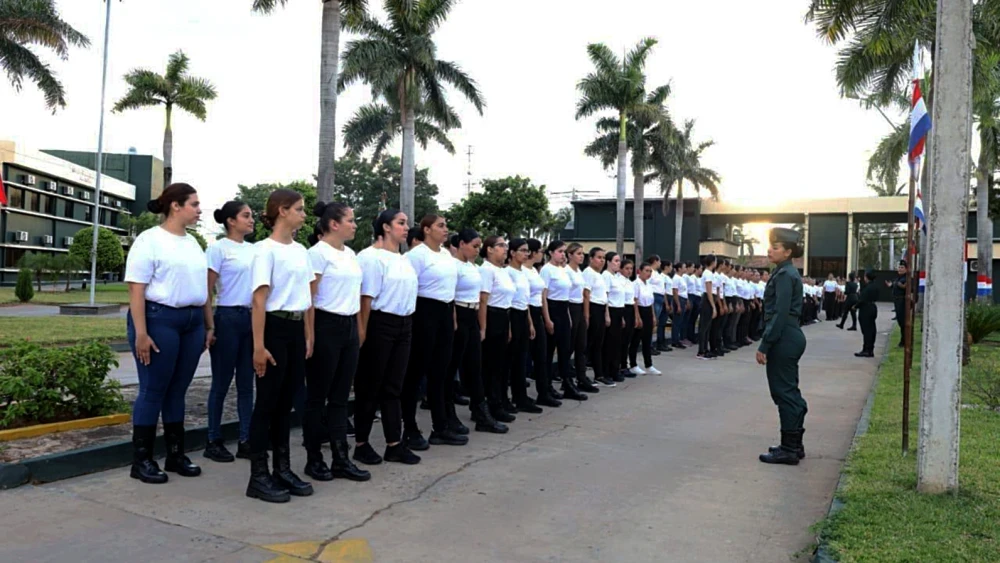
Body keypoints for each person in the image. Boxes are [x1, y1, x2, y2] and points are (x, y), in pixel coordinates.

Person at [125, 183, 211, 485]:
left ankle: (175, 454)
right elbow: (136, 289)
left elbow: (203, 288)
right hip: (159, 319)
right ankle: (142, 460)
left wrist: (209, 325)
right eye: (194, 204)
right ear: (176, 205)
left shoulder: (193, 242)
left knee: (177, 390)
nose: (199, 210)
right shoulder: (149, 240)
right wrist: (141, 333)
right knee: (153, 389)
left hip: (192, 321)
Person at [246, 189, 315, 502]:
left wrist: (308, 335)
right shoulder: (264, 250)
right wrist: (259, 347)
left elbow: (307, 297)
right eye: (299, 209)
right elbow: (259, 301)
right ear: (282, 211)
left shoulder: (301, 251)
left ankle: (282, 469)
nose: (304, 214)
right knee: (267, 403)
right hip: (273, 327)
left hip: (295, 328)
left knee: (286, 403)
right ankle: (258, 476)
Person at [301, 201, 371, 483]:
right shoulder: (317, 254)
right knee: (318, 396)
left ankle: (341, 458)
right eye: (350, 220)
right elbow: (309, 298)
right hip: (325, 324)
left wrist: (359, 328)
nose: (354, 225)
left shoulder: (350, 254)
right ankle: (314, 458)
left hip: (348, 324)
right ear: (333, 224)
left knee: (341, 397)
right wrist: (310, 334)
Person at [353, 209, 421, 467]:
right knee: (370, 385)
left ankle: (394, 443)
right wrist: (362, 331)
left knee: (394, 386)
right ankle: (361, 444)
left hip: (404, 324)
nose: (406, 228)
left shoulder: (403, 259)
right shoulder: (370, 257)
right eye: (400, 223)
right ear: (385, 227)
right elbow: (366, 298)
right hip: (379, 324)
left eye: (406, 223)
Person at [402, 214, 466, 449]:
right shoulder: (416, 256)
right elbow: (409, 287)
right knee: (416, 372)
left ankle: (440, 427)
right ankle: (409, 428)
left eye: (446, 225)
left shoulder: (446, 255)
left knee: (441, 371)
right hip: (424, 312)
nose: (445, 229)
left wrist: (452, 317)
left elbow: (450, 289)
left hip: (445, 313)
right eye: (440, 226)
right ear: (427, 230)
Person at [204, 201, 255, 464]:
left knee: (247, 383)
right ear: (231, 221)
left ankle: (246, 440)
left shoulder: (254, 250)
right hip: (227, 317)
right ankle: (213, 440)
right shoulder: (218, 248)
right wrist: (210, 325)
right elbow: (207, 290)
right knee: (221, 383)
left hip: (250, 317)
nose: (251, 220)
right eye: (246, 216)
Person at [448, 229, 508, 433]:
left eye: (478, 246)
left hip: (471, 316)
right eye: (474, 246)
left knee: (475, 366)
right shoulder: (453, 266)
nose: (477, 250)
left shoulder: (472, 267)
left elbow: (479, 299)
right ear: (461, 244)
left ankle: (481, 412)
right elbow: (449, 295)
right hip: (459, 313)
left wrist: (481, 326)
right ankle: (448, 416)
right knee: (452, 368)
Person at [756, 228, 808, 465]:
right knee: (789, 391)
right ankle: (794, 444)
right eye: (770, 246)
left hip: (784, 336)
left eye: (775, 247)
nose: (770, 250)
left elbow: (780, 312)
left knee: (783, 392)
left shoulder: (786, 274)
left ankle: (789, 449)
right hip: (788, 334)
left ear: (788, 252)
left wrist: (765, 344)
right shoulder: (784, 272)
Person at [479, 236, 518, 422]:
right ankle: (490, 405)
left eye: (505, 245)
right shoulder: (486, 270)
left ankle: (499, 401)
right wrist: (483, 327)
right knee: (491, 365)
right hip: (492, 317)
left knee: (500, 364)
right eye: (500, 245)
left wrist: (508, 327)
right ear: (489, 249)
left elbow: (507, 301)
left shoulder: (502, 271)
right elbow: (483, 300)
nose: (505, 249)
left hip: (504, 316)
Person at [544, 242, 588, 401]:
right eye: (559, 251)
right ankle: (546, 387)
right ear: (551, 253)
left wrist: (568, 316)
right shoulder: (547, 270)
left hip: (564, 309)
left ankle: (568, 383)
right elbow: (544, 296)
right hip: (552, 308)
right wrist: (547, 319)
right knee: (549, 351)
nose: (562, 254)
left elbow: (566, 296)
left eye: (564, 251)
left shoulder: (562, 270)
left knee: (565, 349)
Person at [507, 239, 544, 413]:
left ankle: (520, 396)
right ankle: (508, 397)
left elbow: (525, 301)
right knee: (511, 359)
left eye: (527, 251)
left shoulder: (523, 272)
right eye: (522, 250)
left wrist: (530, 323)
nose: (526, 254)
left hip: (523, 314)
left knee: (521, 358)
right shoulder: (508, 272)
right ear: (512, 253)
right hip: (512, 315)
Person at [526, 238, 562, 407]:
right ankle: (519, 396)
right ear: (532, 253)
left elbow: (541, 296)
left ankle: (544, 392)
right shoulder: (522, 271)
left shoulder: (534, 270)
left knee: (542, 355)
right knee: (523, 357)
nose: (542, 254)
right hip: (527, 313)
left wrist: (543, 318)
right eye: (540, 251)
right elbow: (524, 298)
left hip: (537, 312)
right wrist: (531, 322)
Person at [567, 244, 601, 393]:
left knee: (581, 345)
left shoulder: (579, 272)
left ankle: (581, 377)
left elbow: (583, 294)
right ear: (570, 255)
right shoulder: (566, 271)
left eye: (582, 253)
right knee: (569, 346)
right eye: (578, 253)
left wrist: (585, 314)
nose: (581, 256)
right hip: (570, 307)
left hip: (579, 307)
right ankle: (567, 380)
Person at [584, 247, 613, 387]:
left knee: (598, 344)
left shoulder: (599, 275)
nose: (602, 261)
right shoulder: (588, 273)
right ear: (591, 259)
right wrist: (587, 315)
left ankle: (599, 375)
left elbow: (604, 297)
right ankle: (581, 375)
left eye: (603, 258)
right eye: (599, 257)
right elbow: (586, 294)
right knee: (589, 343)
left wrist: (606, 314)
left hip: (601, 308)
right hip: (593, 308)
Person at [630, 261, 660, 374]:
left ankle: (649, 364)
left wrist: (653, 316)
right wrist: (637, 317)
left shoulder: (649, 285)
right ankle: (633, 364)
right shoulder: (636, 284)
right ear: (640, 271)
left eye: (650, 271)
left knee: (647, 339)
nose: (649, 273)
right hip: (639, 310)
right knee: (636, 339)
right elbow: (635, 301)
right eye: (646, 271)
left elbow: (651, 302)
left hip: (648, 311)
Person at [602, 252, 627, 383]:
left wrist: (621, 317)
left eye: (619, 261)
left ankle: (615, 370)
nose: (618, 263)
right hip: (611, 311)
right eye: (616, 260)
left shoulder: (616, 276)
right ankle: (606, 372)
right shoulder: (606, 276)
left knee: (617, 343)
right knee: (609, 343)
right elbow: (605, 296)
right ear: (608, 262)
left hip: (619, 311)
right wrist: (607, 315)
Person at [697, 255, 718, 360]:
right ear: (713, 262)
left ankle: (705, 349)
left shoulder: (710, 273)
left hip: (709, 299)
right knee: (704, 327)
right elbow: (709, 291)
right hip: (707, 299)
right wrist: (713, 306)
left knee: (707, 327)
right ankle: (701, 351)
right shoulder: (708, 273)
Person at [619, 259, 637, 378]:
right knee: (622, 340)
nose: (629, 271)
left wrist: (636, 316)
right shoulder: (619, 281)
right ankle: (621, 365)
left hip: (630, 309)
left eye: (631, 268)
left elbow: (633, 300)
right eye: (627, 268)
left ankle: (625, 365)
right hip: (623, 308)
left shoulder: (630, 282)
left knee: (627, 340)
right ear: (621, 269)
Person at [855, 271, 880, 357]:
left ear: (866, 277)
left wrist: (855, 306)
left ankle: (866, 349)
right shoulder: (875, 286)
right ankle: (870, 349)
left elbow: (862, 299)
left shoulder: (867, 288)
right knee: (871, 329)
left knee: (866, 330)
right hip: (872, 307)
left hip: (866, 309)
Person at [887, 260, 909, 347]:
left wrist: (897, 284)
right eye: (899, 267)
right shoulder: (898, 278)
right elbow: (896, 285)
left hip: (902, 301)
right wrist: (892, 285)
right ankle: (903, 340)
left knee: (903, 322)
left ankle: (904, 341)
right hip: (897, 301)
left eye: (902, 267)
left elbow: (904, 286)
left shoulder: (906, 278)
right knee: (900, 322)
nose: (900, 269)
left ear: (906, 269)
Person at [671, 263, 689, 350]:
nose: (685, 268)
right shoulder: (676, 278)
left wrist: (686, 302)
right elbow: (675, 291)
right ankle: (675, 340)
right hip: (679, 299)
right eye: (684, 267)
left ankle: (678, 339)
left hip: (683, 299)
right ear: (679, 268)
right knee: (677, 321)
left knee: (680, 321)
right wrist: (678, 305)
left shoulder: (682, 278)